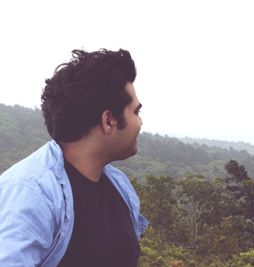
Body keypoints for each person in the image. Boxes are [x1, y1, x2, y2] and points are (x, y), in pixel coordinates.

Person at [0, 49, 148, 266]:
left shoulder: (120, 187)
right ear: (109, 121)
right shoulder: (31, 193)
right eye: (136, 112)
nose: (140, 122)